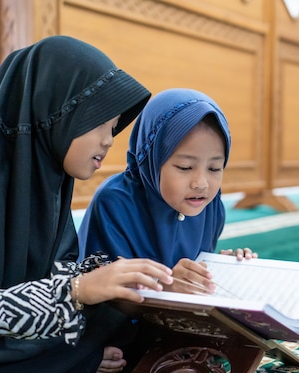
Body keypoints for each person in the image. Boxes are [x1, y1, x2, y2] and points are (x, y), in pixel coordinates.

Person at [0, 36, 175, 373]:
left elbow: (41, 274)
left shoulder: (43, 171)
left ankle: (61, 357)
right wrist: (77, 290)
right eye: (99, 124)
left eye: (113, 126)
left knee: (114, 316)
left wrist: (107, 282)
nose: (108, 141)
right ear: (58, 113)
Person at [78, 88, 257, 295]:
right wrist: (163, 286)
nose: (201, 184)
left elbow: (194, 277)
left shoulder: (210, 204)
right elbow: (100, 298)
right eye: (184, 167)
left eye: (214, 169)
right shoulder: (115, 203)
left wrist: (219, 268)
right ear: (152, 159)